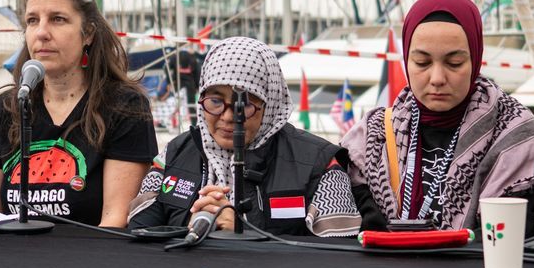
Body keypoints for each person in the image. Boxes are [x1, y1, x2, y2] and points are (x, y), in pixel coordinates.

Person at [341, 0, 534, 232]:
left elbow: (527, 229)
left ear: (475, 60)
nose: (437, 78)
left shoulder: (513, 132)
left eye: (454, 63)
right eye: (422, 63)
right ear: (406, 60)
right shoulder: (375, 135)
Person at [128, 37, 363, 237]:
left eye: (245, 104)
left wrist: (244, 228)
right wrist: (194, 224)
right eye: (215, 101)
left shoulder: (320, 164)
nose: (228, 116)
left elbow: (340, 250)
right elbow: (138, 232)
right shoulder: (173, 154)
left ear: (270, 103)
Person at [0, 0, 155, 227]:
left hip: (90, 250)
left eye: (58, 19)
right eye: (32, 21)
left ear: (88, 33)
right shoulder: (6, 108)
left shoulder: (124, 105)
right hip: (12, 250)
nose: (41, 32)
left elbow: (115, 220)